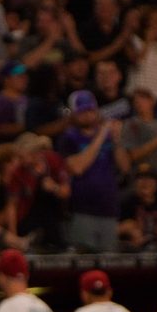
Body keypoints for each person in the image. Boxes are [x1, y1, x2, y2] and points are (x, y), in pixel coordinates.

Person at [57, 90, 126, 251]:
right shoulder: (69, 138)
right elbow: (77, 167)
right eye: (82, 112)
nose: (87, 115)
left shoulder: (109, 137)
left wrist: (116, 141)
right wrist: (101, 135)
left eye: (90, 110)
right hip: (82, 211)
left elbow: (124, 167)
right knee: (84, 259)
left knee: (110, 261)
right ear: (74, 114)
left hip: (108, 209)